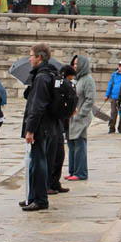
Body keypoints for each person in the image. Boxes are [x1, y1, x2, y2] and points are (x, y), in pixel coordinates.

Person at [20, 43, 56, 212]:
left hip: (40, 126)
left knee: (39, 162)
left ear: (39, 57)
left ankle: (40, 199)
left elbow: (38, 105)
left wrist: (30, 129)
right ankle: (33, 196)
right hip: (47, 125)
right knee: (36, 161)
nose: (30, 58)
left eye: (32, 55)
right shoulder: (47, 74)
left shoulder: (42, 77)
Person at [66, 55, 95, 181]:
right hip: (71, 116)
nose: (75, 66)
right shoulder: (75, 79)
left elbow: (90, 99)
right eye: (74, 63)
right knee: (71, 143)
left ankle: (81, 172)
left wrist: (81, 113)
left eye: (77, 64)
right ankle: (72, 170)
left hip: (81, 117)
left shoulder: (88, 79)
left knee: (79, 143)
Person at [47, 64, 74, 196]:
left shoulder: (60, 84)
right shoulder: (44, 81)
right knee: (50, 156)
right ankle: (47, 184)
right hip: (50, 122)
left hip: (58, 122)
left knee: (59, 154)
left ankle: (54, 182)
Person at [104, 60, 121, 134]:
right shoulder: (114, 75)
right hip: (114, 96)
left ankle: (120, 128)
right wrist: (107, 95)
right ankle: (111, 127)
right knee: (113, 113)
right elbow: (110, 85)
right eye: (120, 65)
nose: (120, 67)